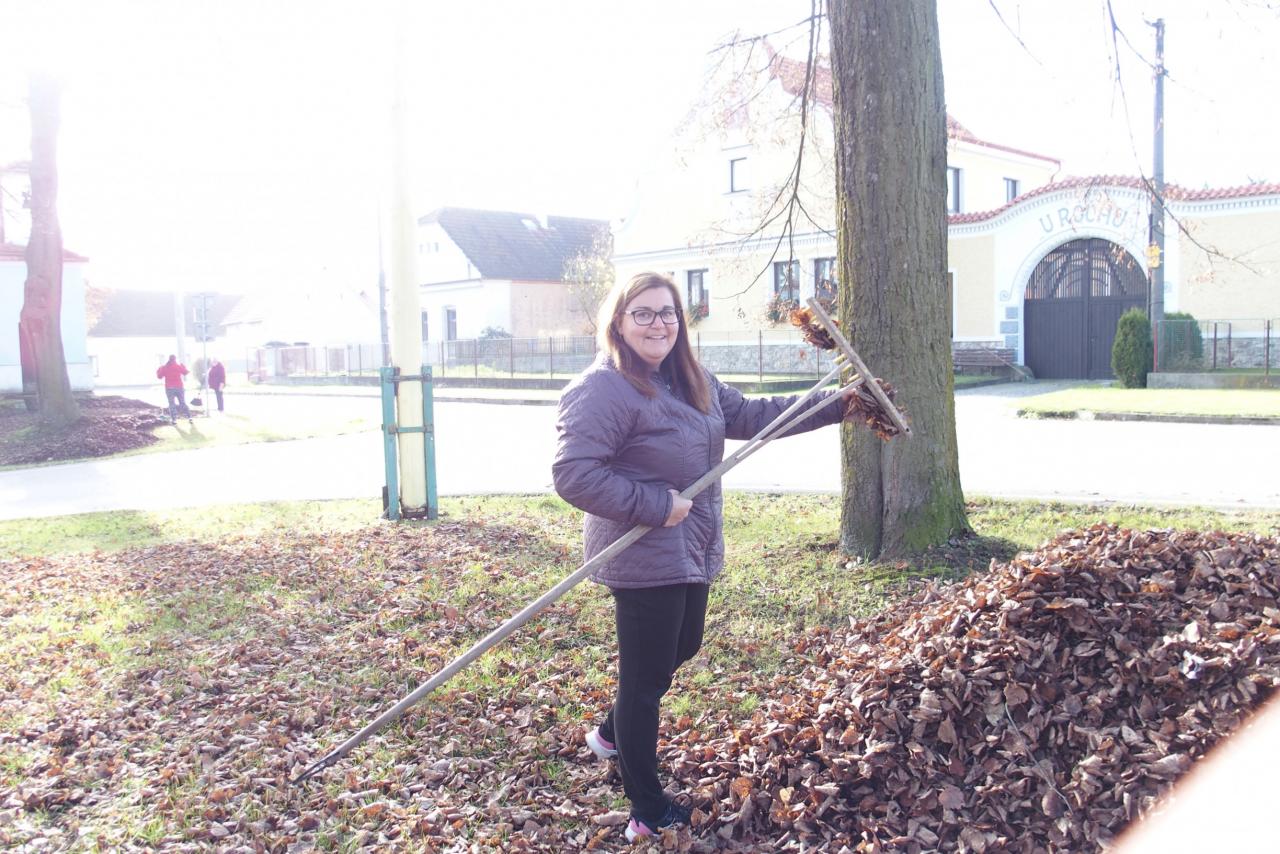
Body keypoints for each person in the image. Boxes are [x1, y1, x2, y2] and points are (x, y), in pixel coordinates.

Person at [552, 271, 856, 842]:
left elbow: (752, 416)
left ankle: (610, 734)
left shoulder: (689, 377)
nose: (658, 324)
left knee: (682, 646)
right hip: (640, 549)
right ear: (618, 322)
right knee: (644, 682)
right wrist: (653, 505)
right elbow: (574, 474)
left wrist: (835, 404)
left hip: (688, 542)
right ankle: (646, 809)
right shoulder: (603, 388)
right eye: (643, 313)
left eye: (668, 312)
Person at [156, 354, 192, 424]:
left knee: (171, 404)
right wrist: (183, 366)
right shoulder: (178, 366)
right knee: (182, 402)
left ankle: (174, 420)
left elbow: (159, 376)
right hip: (179, 387)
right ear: (175, 359)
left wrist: (159, 369)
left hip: (169, 388)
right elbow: (186, 372)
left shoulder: (165, 367)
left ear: (169, 359)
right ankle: (189, 417)